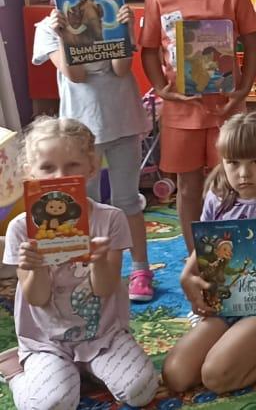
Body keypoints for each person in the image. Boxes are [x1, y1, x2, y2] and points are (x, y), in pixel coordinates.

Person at [4, 118, 158, 409]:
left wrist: (98, 261)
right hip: (47, 343)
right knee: (51, 404)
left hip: (103, 336)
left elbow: (104, 288)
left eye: (72, 165)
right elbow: (36, 298)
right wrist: (35, 266)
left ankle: (89, 368)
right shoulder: (21, 228)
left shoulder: (110, 219)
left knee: (141, 390)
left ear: (91, 167)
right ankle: (16, 373)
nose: (60, 176)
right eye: (47, 167)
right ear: (29, 172)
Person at [32, 0, 154, 301]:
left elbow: (121, 69)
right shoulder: (46, 29)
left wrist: (122, 30)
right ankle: (82, 270)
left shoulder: (111, 15)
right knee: (81, 202)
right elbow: (76, 76)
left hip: (123, 121)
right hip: (79, 133)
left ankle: (140, 269)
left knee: (127, 200)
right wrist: (64, 35)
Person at [163, 112, 256, 394]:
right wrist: (187, 272)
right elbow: (206, 245)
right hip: (226, 304)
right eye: (233, 163)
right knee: (176, 376)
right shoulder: (216, 198)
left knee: (216, 377)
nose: (244, 173)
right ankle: (240, 341)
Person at [141, 0, 256, 250]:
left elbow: (252, 44)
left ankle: (232, 251)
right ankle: (195, 253)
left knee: (232, 183)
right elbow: (149, 50)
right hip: (181, 111)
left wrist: (243, 91)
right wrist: (163, 90)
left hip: (226, 108)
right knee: (188, 186)